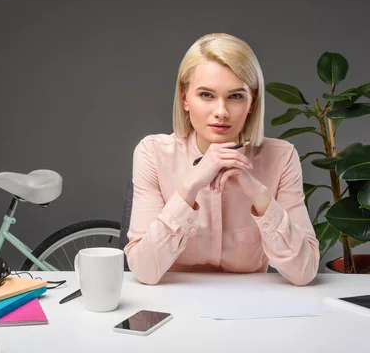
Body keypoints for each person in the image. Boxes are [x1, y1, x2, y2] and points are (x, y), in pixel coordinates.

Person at [123, 33, 320, 286]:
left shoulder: (281, 157)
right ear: (185, 98)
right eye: (206, 95)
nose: (221, 112)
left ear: (252, 102)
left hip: (250, 308)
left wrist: (259, 194)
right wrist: (189, 187)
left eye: (235, 96)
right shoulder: (152, 153)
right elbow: (145, 271)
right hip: (174, 305)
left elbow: (304, 273)